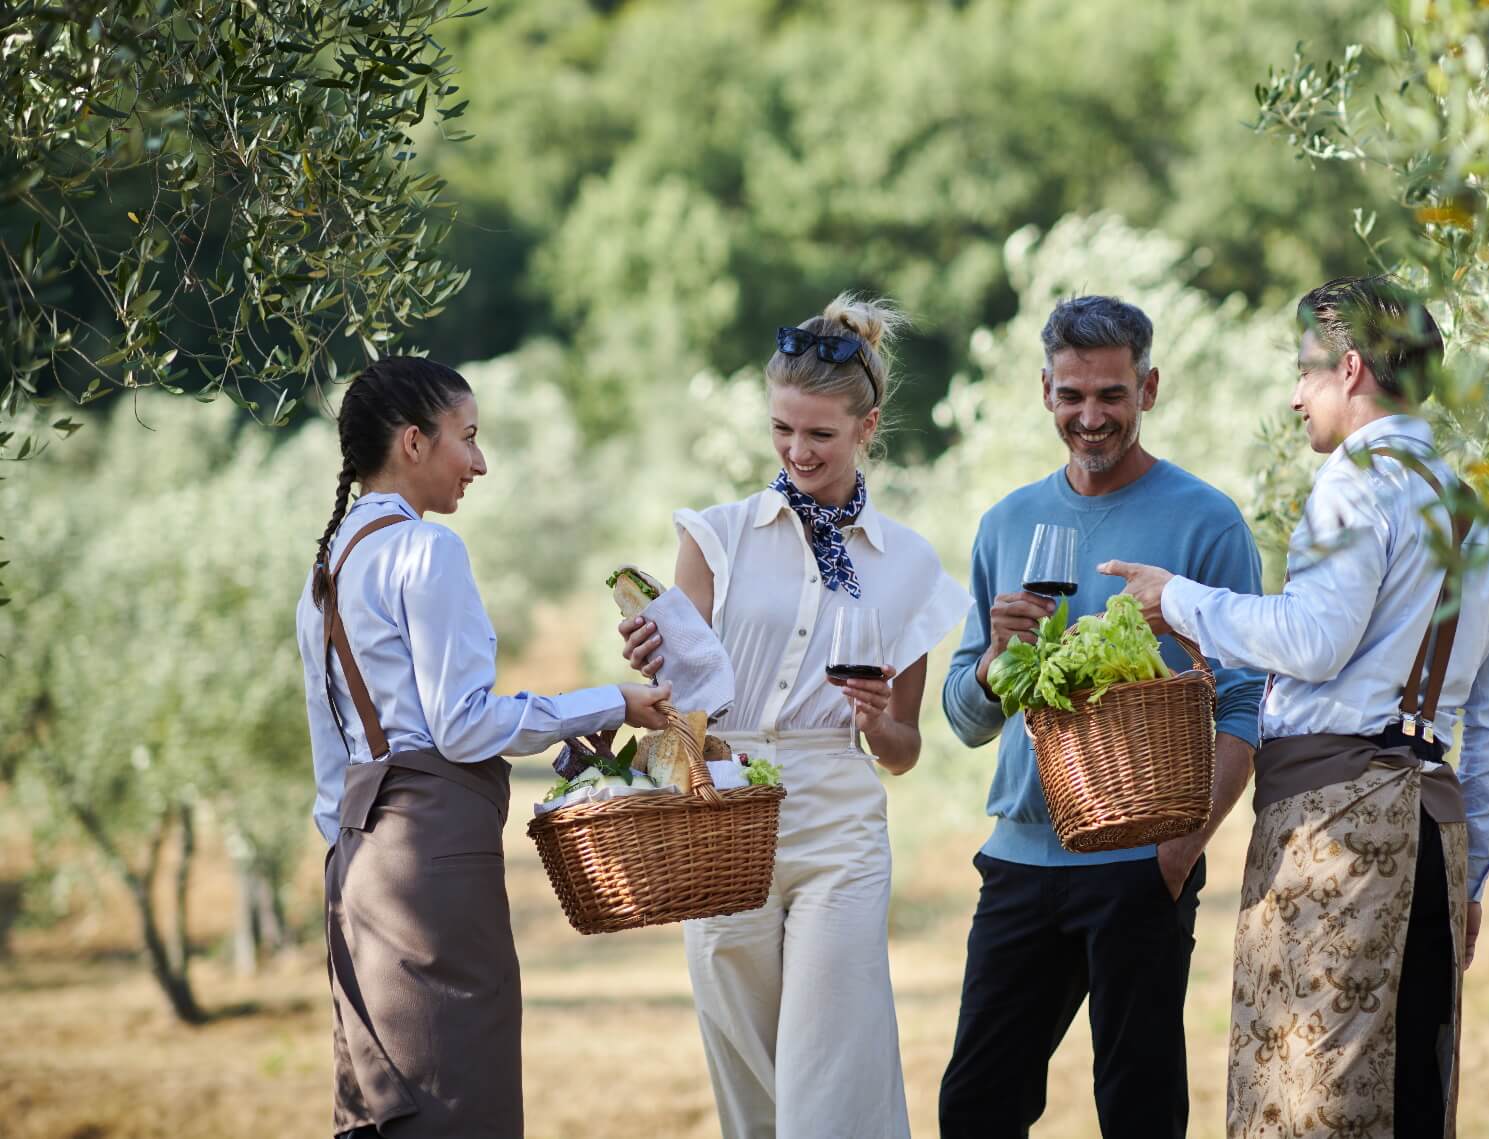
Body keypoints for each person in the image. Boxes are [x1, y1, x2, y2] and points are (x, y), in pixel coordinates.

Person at [1103, 276, 1489, 1138]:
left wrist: (1178, 601)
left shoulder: (1355, 481)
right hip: (1433, 835)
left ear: (1350, 367)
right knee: (1411, 1090)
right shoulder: (1483, 511)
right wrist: (1471, 871)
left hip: (1332, 826)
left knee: (1306, 1100)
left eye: (1304, 371)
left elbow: (1311, 640)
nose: (1295, 395)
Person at [297, 356, 677, 1139]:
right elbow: (463, 724)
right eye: (467, 439)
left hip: (357, 865)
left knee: (385, 1105)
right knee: (458, 1095)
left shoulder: (329, 566)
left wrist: (353, 860)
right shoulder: (426, 552)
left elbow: (328, 758)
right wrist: (608, 702)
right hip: (432, 861)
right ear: (413, 442)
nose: (479, 462)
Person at [619, 295, 971, 1139]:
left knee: (832, 1072)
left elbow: (904, 750)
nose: (797, 451)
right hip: (724, 808)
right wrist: (653, 662)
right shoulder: (716, 536)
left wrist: (882, 717)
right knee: (750, 1078)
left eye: (819, 434)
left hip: (838, 824)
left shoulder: (910, 566)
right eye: (782, 429)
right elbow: (683, 707)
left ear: (867, 425)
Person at [936, 295, 1265, 1138]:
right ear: (1044, 390)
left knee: (1140, 1111)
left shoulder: (1206, 521)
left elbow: (1242, 704)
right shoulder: (1006, 522)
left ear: (1148, 388)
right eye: (1072, 394)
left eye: (1111, 394)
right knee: (975, 1106)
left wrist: (1180, 848)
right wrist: (989, 661)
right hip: (1018, 859)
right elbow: (966, 721)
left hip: (1140, 865)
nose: (1091, 416)